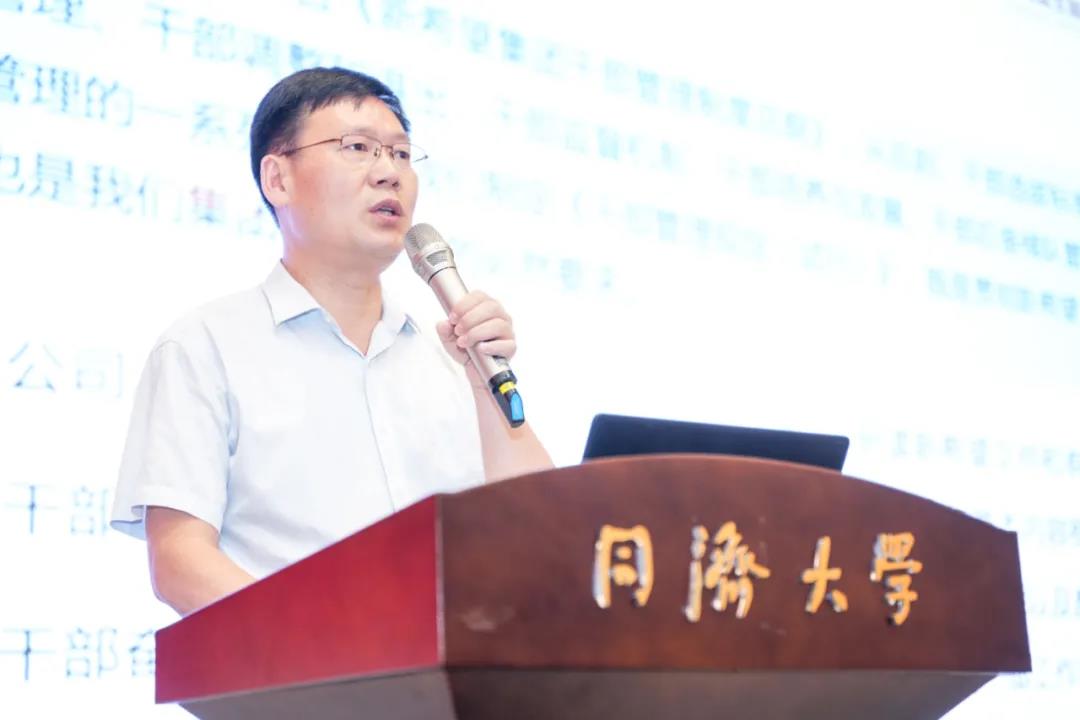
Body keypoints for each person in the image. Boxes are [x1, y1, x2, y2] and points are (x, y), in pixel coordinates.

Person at [110, 67, 553, 616]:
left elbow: (543, 526)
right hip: (301, 669)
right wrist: (330, 641)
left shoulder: (450, 358)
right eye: (358, 147)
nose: (389, 172)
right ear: (278, 179)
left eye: (401, 154)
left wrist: (484, 384)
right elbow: (180, 561)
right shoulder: (204, 347)